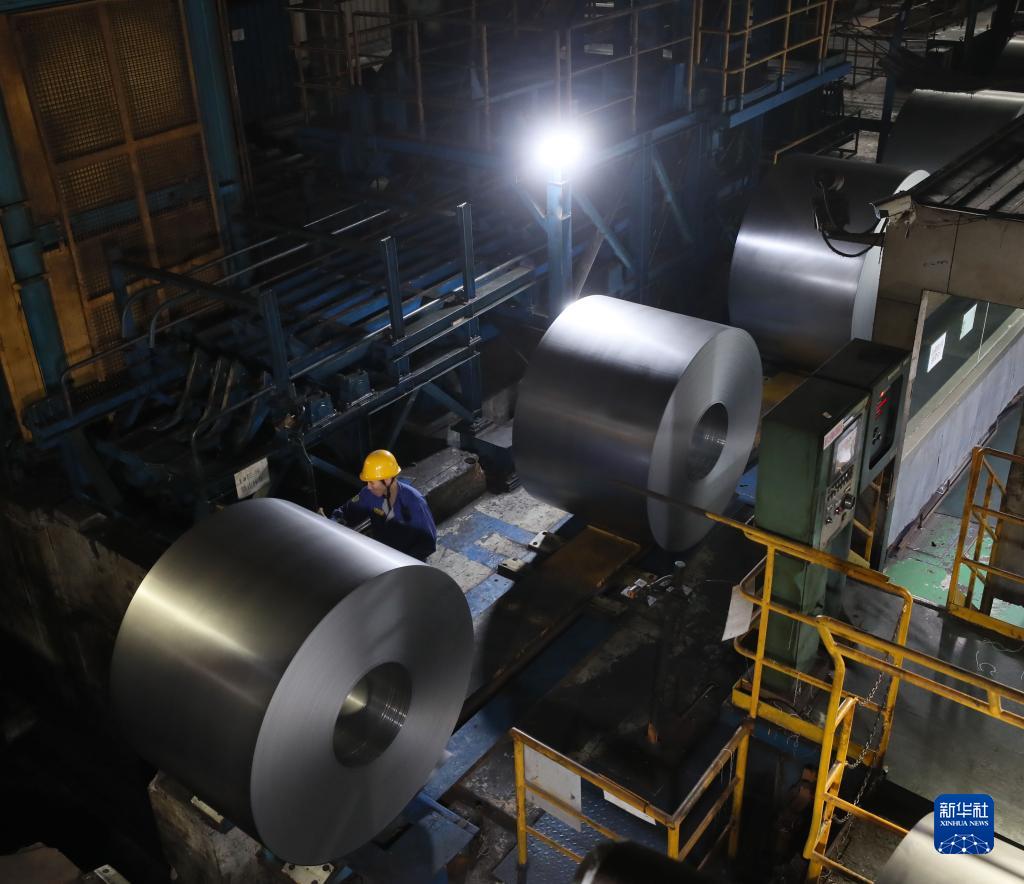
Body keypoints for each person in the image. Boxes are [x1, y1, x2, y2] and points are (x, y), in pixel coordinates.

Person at [331, 449, 437, 561]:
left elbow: (428, 543)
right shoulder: (368, 494)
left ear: (387, 480)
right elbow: (345, 512)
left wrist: (404, 562)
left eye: (372, 482)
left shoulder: (414, 502)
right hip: (382, 556)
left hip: (407, 561)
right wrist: (332, 522)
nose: (368, 487)